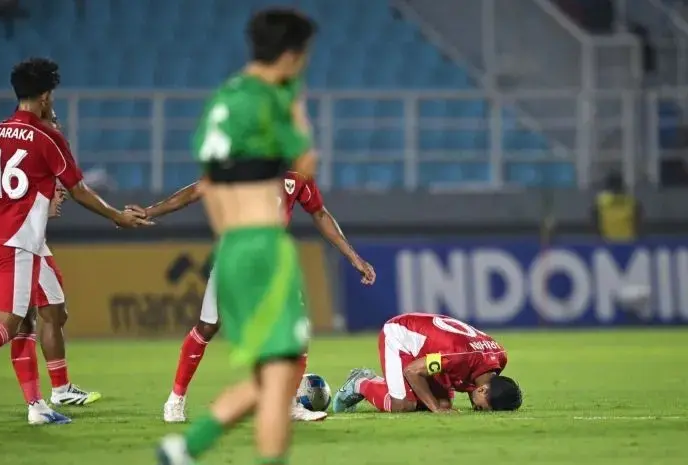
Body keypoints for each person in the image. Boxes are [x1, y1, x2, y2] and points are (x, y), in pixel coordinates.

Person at [0, 57, 151, 425]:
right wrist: (117, 216)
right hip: (19, 243)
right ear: (45, 96)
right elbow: (79, 190)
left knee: (22, 321)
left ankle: (38, 406)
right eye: (52, 96)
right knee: (6, 324)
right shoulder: (47, 137)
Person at [153, 9, 318, 465]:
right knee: (281, 375)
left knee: (272, 373)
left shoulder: (221, 101)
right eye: (303, 57)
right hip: (265, 246)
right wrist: (297, 106)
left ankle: (185, 448)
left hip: (230, 248)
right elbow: (305, 166)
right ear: (289, 55)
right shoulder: (271, 101)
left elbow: (206, 183)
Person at [145, 178, 375, 424]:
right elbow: (195, 191)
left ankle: (289, 404)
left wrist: (354, 258)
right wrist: (151, 211)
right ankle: (175, 399)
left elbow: (319, 213)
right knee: (208, 326)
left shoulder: (297, 174)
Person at [0, 110, 101, 410]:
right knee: (6, 320)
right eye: (53, 117)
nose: (57, 123)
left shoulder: (7, 139)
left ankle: (53, 393)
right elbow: (53, 189)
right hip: (21, 241)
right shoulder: (41, 143)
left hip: (24, 239)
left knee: (51, 312)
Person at [333, 313, 522, 413]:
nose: (476, 408)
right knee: (403, 405)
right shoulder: (458, 357)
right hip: (401, 335)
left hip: (433, 349)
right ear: (483, 390)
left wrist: (439, 405)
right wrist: (436, 409)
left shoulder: (499, 357)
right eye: (481, 408)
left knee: (443, 403)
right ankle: (362, 382)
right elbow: (412, 371)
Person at [591, 170, 642, 242]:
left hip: (607, 241)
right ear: (622, 185)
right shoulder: (632, 201)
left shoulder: (600, 201)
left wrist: (599, 238)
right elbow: (638, 221)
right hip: (628, 241)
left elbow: (595, 222)